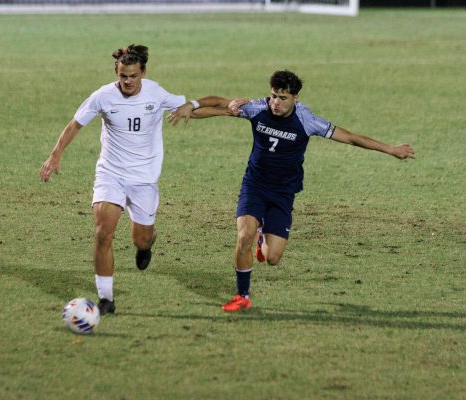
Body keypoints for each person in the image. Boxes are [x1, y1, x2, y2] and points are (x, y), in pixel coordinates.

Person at [169, 70, 415, 312]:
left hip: (283, 193)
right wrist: (191, 105)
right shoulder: (258, 108)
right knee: (244, 236)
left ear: (295, 98)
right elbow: (222, 105)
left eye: (283, 98)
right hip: (254, 186)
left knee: (273, 258)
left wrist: (390, 149)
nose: (276, 103)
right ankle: (242, 295)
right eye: (274, 96)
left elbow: (350, 138)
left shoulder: (307, 120)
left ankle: (264, 236)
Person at [40, 44, 187, 315]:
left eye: (133, 76)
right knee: (102, 232)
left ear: (142, 72)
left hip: (144, 178)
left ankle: (146, 246)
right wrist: (55, 156)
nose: (128, 81)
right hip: (111, 173)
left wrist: (215, 107)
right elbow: (75, 124)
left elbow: (187, 106)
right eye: (123, 76)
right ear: (116, 73)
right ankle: (106, 299)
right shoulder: (103, 96)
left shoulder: (156, 91)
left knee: (141, 239)